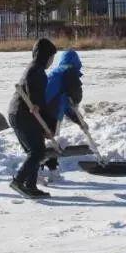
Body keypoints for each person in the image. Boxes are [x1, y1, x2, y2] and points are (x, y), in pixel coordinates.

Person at [8, 38, 59, 198]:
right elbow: (36, 97)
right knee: (37, 152)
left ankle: (30, 185)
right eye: (51, 57)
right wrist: (36, 104)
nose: (52, 61)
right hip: (24, 114)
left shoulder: (35, 68)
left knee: (36, 151)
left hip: (19, 113)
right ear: (45, 56)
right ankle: (19, 181)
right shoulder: (36, 71)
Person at [40, 49, 86, 183]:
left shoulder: (57, 73)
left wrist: (78, 120)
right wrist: (77, 115)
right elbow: (73, 99)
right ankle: (40, 170)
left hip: (43, 111)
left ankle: (51, 170)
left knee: (46, 143)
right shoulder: (69, 72)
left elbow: (65, 100)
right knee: (46, 145)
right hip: (51, 113)